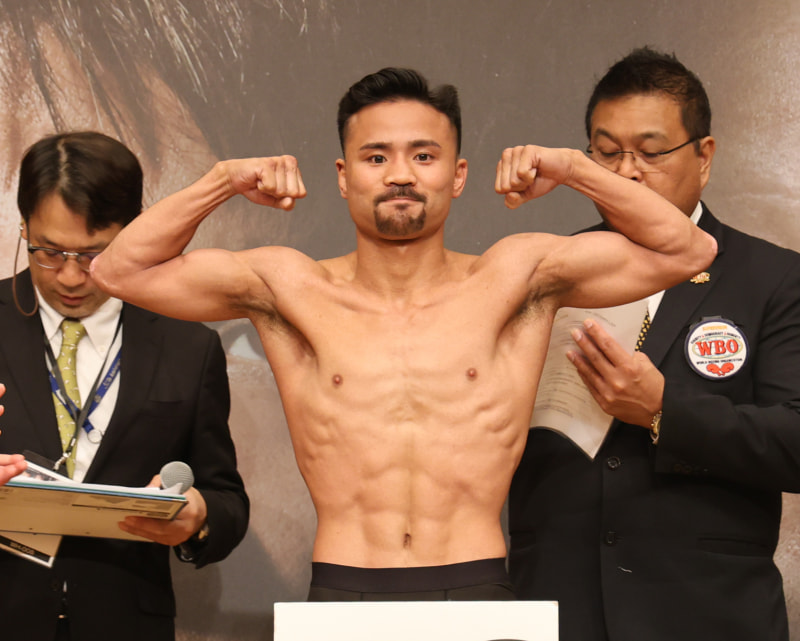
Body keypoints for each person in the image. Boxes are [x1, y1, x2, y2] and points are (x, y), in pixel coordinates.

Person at [91, 67, 715, 601]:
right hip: (344, 584)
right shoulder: (289, 287)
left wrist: (574, 168)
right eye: (376, 157)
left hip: (475, 582)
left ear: (458, 174)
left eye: (423, 155)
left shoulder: (515, 277)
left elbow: (688, 249)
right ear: (343, 176)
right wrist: (223, 181)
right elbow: (118, 270)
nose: (400, 175)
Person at [508, 47, 800, 641]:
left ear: (704, 156)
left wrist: (664, 410)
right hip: (557, 605)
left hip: (706, 612)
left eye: (650, 151)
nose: (626, 172)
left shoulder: (772, 277)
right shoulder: (547, 273)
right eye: (607, 152)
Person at [0, 132, 249, 640]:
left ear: (135, 230)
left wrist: (198, 516)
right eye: (49, 252)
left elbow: (227, 499)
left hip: (127, 623)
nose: (71, 277)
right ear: (23, 227)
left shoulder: (187, 345)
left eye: (94, 254)